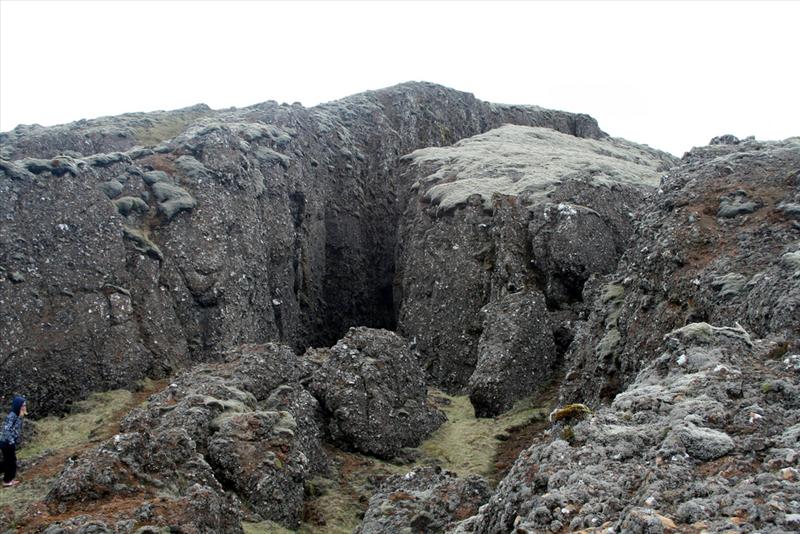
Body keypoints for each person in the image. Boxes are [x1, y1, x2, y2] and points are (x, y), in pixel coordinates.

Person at [0, 396, 27, 487]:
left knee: (9, 461)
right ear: (18, 405)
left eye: (25, 405)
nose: (24, 407)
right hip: (7, 443)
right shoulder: (12, 415)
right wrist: (11, 442)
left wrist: (21, 416)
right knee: (11, 462)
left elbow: (16, 429)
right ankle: (7, 481)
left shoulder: (18, 415)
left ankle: (8, 479)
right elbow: (6, 429)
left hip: (8, 442)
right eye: (22, 405)